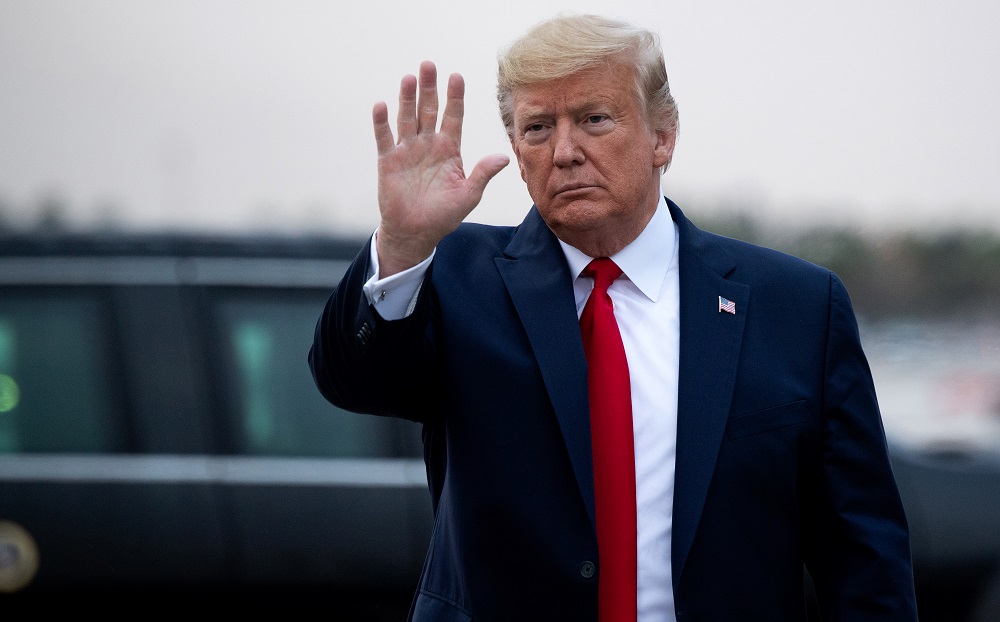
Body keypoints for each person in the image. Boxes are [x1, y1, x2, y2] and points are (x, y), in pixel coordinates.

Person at [309, 13, 918, 622]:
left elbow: (864, 555)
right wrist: (403, 244)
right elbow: (351, 380)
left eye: (594, 120)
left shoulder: (797, 307)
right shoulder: (456, 277)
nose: (565, 152)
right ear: (517, 152)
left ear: (663, 136)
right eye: (538, 128)